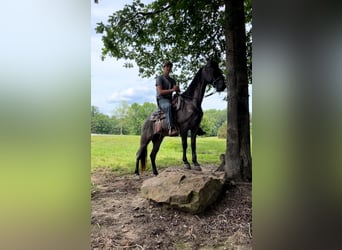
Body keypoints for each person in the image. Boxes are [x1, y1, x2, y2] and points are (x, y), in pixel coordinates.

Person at [156, 61, 180, 136]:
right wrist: (172, 90)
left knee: (183, 105)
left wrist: (177, 89)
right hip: (162, 100)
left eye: (170, 67)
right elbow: (160, 92)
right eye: (167, 66)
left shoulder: (172, 80)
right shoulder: (159, 78)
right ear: (164, 68)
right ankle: (171, 128)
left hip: (171, 99)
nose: (168, 68)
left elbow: (177, 91)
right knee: (168, 106)